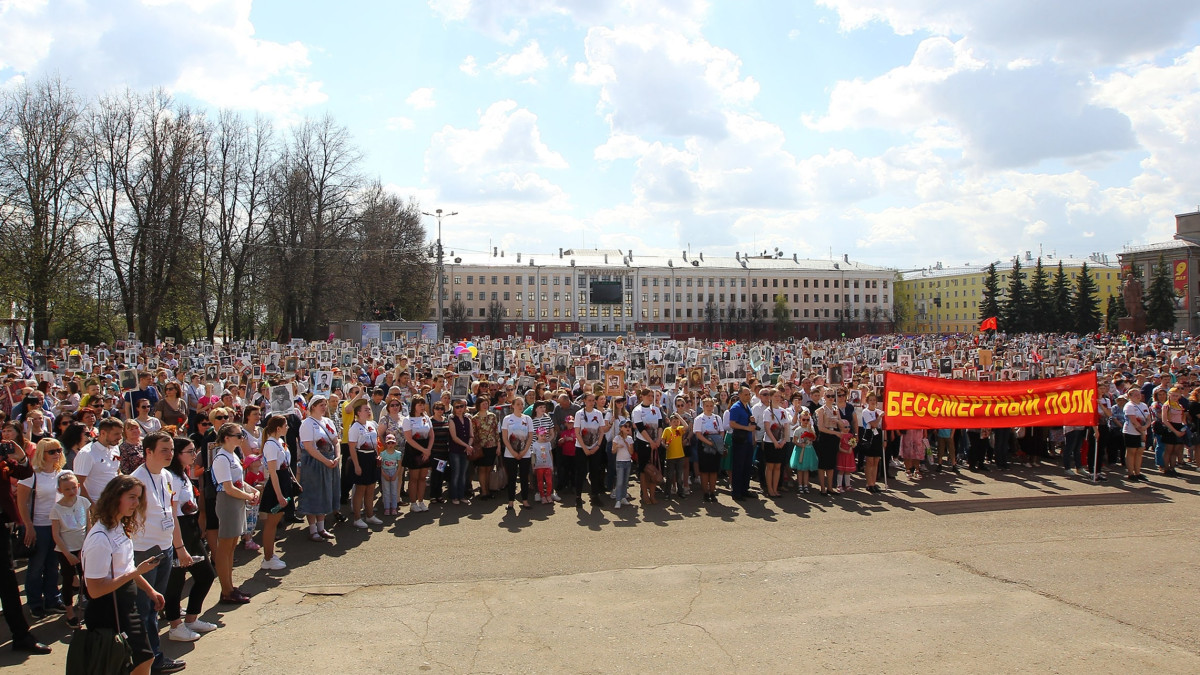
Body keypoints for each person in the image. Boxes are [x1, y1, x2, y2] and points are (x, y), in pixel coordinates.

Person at [80, 475, 166, 674]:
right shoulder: (99, 539)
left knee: (142, 660)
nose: (136, 503)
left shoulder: (119, 527)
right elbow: (94, 591)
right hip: (108, 611)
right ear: (115, 497)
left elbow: (126, 567)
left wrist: (150, 590)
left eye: (138, 498)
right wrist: (137, 571)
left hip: (126, 605)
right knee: (132, 662)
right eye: (132, 497)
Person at [128, 431, 191, 673]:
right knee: (145, 609)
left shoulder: (167, 476)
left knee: (154, 606)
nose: (170, 454)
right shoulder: (136, 481)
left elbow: (171, 513)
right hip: (144, 551)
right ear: (148, 452)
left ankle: (150, 656)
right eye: (164, 450)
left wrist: (179, 547)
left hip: (165, 548)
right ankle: (151, 660)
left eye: (172, 449)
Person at [162, 437, 218, 641]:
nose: (194, 455)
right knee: (176, 581)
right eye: (190, 451)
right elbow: (172, 513)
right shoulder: (171, 477)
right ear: (178, 454)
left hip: (191, 528)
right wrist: (179, 546)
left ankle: (192, 618)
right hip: (178, 531)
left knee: (206, 575)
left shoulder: (183, 474)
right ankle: (175, 626)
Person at [16, 438, 67, 619]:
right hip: (38, 526)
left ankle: (53, 599)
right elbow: (21, 503)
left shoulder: (63, 473)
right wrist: (28, 526)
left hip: (57, 526)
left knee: (53, 565)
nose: (57, 454)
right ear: (41, 454)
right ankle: (35, 603)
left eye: (59, 450)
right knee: (36, 566)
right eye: (51, 451)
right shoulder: (31, 475)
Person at [211, 423, 258, 605]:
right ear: (227, 438)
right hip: (228, 502)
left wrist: (253, 490)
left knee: (232, 546)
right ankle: (226, 590)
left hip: (236, 501)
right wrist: (248, 496)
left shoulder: (232, 455)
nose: (242, 438)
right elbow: (228, 487)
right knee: (225, 547)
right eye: (238, 435)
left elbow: (239, 481)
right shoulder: (221, 458)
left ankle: (230, 587)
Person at [298, 396, 341, 539]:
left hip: (329, 461)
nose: (324, 407)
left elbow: (336, 441)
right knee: (313, 493)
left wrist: (337, 457)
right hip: (314, 463)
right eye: (321, 405)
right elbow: (309, 447)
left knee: (325, 493)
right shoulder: (307, 423)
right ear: (313, 407)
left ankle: (321, 528)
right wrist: (325, 461)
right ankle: (313, 529)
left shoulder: (328, 421)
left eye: (325, 404)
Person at [50, 472, 89, 628]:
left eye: (74, 488)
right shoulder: (56, 509)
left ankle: (88, 606)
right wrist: (67, 554)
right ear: (60, 490)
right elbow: (56, 534)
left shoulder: (84, 502)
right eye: (67, 489)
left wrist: (85, 547)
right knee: (67, 580)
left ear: (78, 486)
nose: (72, 491)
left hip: (82, 548)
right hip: (66, 551)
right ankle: (70, 613)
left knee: (86, 578)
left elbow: (89, 526)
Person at [257, 415, 296, 569]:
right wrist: (279, 495)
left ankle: (270, 555)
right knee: (271, 523)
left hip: (284, 481)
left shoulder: (279, 442)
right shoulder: (271, 445)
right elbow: (273, 472)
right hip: (277, 485)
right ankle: (267, 558)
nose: (288, 428)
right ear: (278, 428)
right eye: (285, 425)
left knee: (275, 521)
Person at [347, 399, 381, 527]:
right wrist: (356, 465)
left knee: (371, 488)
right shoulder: (355, 427)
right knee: (360, 489)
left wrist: (377, 456)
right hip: (361, 457)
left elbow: (376, 442)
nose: (368, 411)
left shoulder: (371, 424)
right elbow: (352, 447)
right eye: (365, 409)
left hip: (372, 457)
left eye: (368, 409)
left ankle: (370, 515)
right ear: (358, 412)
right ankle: (357, 518)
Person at [74, 417, 124, 502]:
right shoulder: (86, 453)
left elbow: (116, 471)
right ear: (103, 433)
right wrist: (92, 506)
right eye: (116, 434)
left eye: (121, 433)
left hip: (114, 502)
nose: (120, 437)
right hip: (96, 503)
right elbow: (78, 484)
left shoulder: (115, 448)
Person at [572, 393, 608, 507]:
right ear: (584, 401)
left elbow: (601, 431)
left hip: (595, 447)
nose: (591, 403)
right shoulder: (579, 414)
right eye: (589, 400)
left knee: (595, 472)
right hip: (581, 448)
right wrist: (585, 448)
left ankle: (595, 496)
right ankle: (578, 497)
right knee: (580, 472)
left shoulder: (598, 414)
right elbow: (577, 432)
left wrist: (597, 446)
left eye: (593, 400)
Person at [631, 389, 663, 506]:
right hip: (643, 443)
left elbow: (660, 426)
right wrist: (650, 441)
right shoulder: (637, 410)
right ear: (642, 396)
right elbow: (640, 428)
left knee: (654, 469)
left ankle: (652, 495)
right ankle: (645, 494)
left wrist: (658, 440)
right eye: (648, 396)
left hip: (655, 443)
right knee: (644, 470)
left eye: (652, 396)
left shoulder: (656, 409)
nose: (651, 398)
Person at [401, 399, 433, 513]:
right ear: (414, 406)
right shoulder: (407, 419)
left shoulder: (426, 418)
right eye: (420, 405)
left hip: (426, 448)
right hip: (413, 449)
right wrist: (423, 450)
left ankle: (421, 501)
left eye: (423, 404)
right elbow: (409, 439)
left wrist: (428, 450)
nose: (422, 407)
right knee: (414, 478)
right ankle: (413, 503)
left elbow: (431, 435)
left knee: (423, 477)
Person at [727, 387, 758, 500]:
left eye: (749, 394)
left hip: (748, 440)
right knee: (738, 467)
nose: (748, 396)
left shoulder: (747, 406)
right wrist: (746, 428)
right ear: (739, 395)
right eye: (745, 394)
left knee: (747, 466)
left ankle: (745, 489)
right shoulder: (736, 407)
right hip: (740, 440)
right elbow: (732, 424)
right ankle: (737, 492)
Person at [501, 403, 533, 510]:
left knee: (524, 478)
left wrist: (524, 451)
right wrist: (513, 452)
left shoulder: (528, 419)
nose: (520, 406)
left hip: (525, 453)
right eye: (518, 404)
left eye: (522, 404)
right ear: (513, 406)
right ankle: (510, 502)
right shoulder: (507, 419)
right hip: (510, 454)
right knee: (512, 478)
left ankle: (525, 500)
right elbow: (505, 437)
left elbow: (530, 436)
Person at [693, 398, 724, 502]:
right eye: (707, 406)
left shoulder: (717, 418)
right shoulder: (699, 418)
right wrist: (709, 443)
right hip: (704, 445)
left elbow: (721, 431)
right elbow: (698, 434)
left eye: (711, 406)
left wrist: (718, 441)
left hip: (715, 446)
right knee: (705, 470)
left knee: (714, 470)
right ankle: (705, 492)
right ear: (703, 406)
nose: (709, 408)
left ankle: (712, 491)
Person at [815, 389, 843, 495]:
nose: (831, 398)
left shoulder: (836, 409)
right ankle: (822, 487)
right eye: (828, 396)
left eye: (832, 396)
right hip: (825, 437)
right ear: (824, 397)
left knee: (831, 463)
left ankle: (830, 487)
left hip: (834, 438)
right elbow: (820, 428)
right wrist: (835, 433)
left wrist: (837, 421)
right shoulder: (821, 410)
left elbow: (841, 424)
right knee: (823, 464)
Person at [471, 396, 500, 501]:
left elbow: (496, 431)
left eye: (486, 403)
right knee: (482, 469)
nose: (485, 405)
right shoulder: (474, 418)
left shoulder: (492, 416)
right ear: (478, 405)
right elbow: (473, 434)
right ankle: (483, 491)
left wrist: (498, 446)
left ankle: (488, 490)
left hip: (492, 446)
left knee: (489, 469)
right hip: (481, 447)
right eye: (482, 404)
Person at [447, 398, 473, 505]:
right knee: (456, 473)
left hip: (465, 451)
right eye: (457, 407)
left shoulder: (468, 419)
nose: (459, 409)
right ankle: (454, 496)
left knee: (463, 474)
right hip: (455, 450)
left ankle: (461, 495)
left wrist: (469, 446)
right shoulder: (452, 420)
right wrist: (467, 446)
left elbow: (471, 435)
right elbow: (454, 437)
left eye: (461, 406)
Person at [529, 401, 555, 505]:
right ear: (535, 409)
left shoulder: (548, 418)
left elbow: (552, 432)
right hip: (534, 447)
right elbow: (529, 435)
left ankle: (550, 492)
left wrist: (549, 440)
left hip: (546, 447)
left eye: (544, 407)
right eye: (540, 407)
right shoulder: (531, 420)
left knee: (549, 470)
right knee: (535, 471)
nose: (543, 409)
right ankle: (537, 493)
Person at [1123, 388, 1150, 482]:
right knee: (1131, 452)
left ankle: (1138, 472)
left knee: (1139, 452)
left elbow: (1148, 419)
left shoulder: (1144, 405)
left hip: (1143, 431)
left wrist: (1145, 427)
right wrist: (1141, 431)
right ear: (1129, 396)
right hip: (1131, 432)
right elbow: (1133, 421)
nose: (1138, 396)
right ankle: (1131, 473)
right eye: (1135, 395)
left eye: (1139, 394)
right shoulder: (1129, 406)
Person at [859, 394, 884, 494]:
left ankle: (873, 483)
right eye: (871, 400)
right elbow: (873, 424)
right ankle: (869, 483)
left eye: (874, 400)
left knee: (876, 461)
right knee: (870, 461)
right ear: (867, 401)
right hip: (869, 435)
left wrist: (885, 440)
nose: (873, 402)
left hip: (878, 435)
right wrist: (880, 417)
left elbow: (882, 426)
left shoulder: (878, 411)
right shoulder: (866, 411)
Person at [661, 414, 688, 499]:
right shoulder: (667, 430)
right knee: (669, 476)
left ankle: (680, 492)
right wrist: (665, 446)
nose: (676, 423)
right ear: (670, 422)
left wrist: (679, 416)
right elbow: (662, 440)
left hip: (680, 456)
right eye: (674, 421)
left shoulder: (679, 429)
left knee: (679, 476)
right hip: (670, 457)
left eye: (677, 421)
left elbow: (686, 426)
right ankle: (667, 492)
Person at [610, 421, 635, 508]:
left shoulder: (630, 438)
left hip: (628, 461)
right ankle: (618, 499)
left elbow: (631, 452)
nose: (628, 428)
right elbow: (613, 451)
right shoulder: (617, 438)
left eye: (629, 426)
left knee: (625, 481)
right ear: (621, 428)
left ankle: (623, 497)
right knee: (620, 482)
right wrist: (617, 446)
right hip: (620, 462)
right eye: (625, 426)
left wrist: (628, 445)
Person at [379, 435, 402, 515]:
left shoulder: (398, 453)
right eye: (388, 443)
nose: (390, 445)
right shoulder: (383, 454)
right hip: (385, 472)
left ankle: (394, 507)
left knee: (394, 491)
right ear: (386, 444)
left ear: (395, 443)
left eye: (392, 443)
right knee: (386, 491)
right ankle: (387, 508)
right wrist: (384, 474)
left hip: (394, 471)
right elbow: (380, 466)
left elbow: (399, 465)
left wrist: (396, 475)